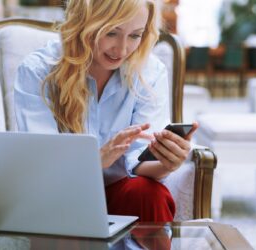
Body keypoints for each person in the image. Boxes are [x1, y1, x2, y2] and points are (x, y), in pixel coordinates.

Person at [14, 0, 197, 222]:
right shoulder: (38, 70)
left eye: (135, 35)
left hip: (118, 191)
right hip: (60, 193)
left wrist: (166, 163)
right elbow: (45, 168)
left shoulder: (150, 71)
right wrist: (97, 159)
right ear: (85, 23)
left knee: (150, 194)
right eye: (111, 32)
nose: (122, 49)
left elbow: (139, 161)